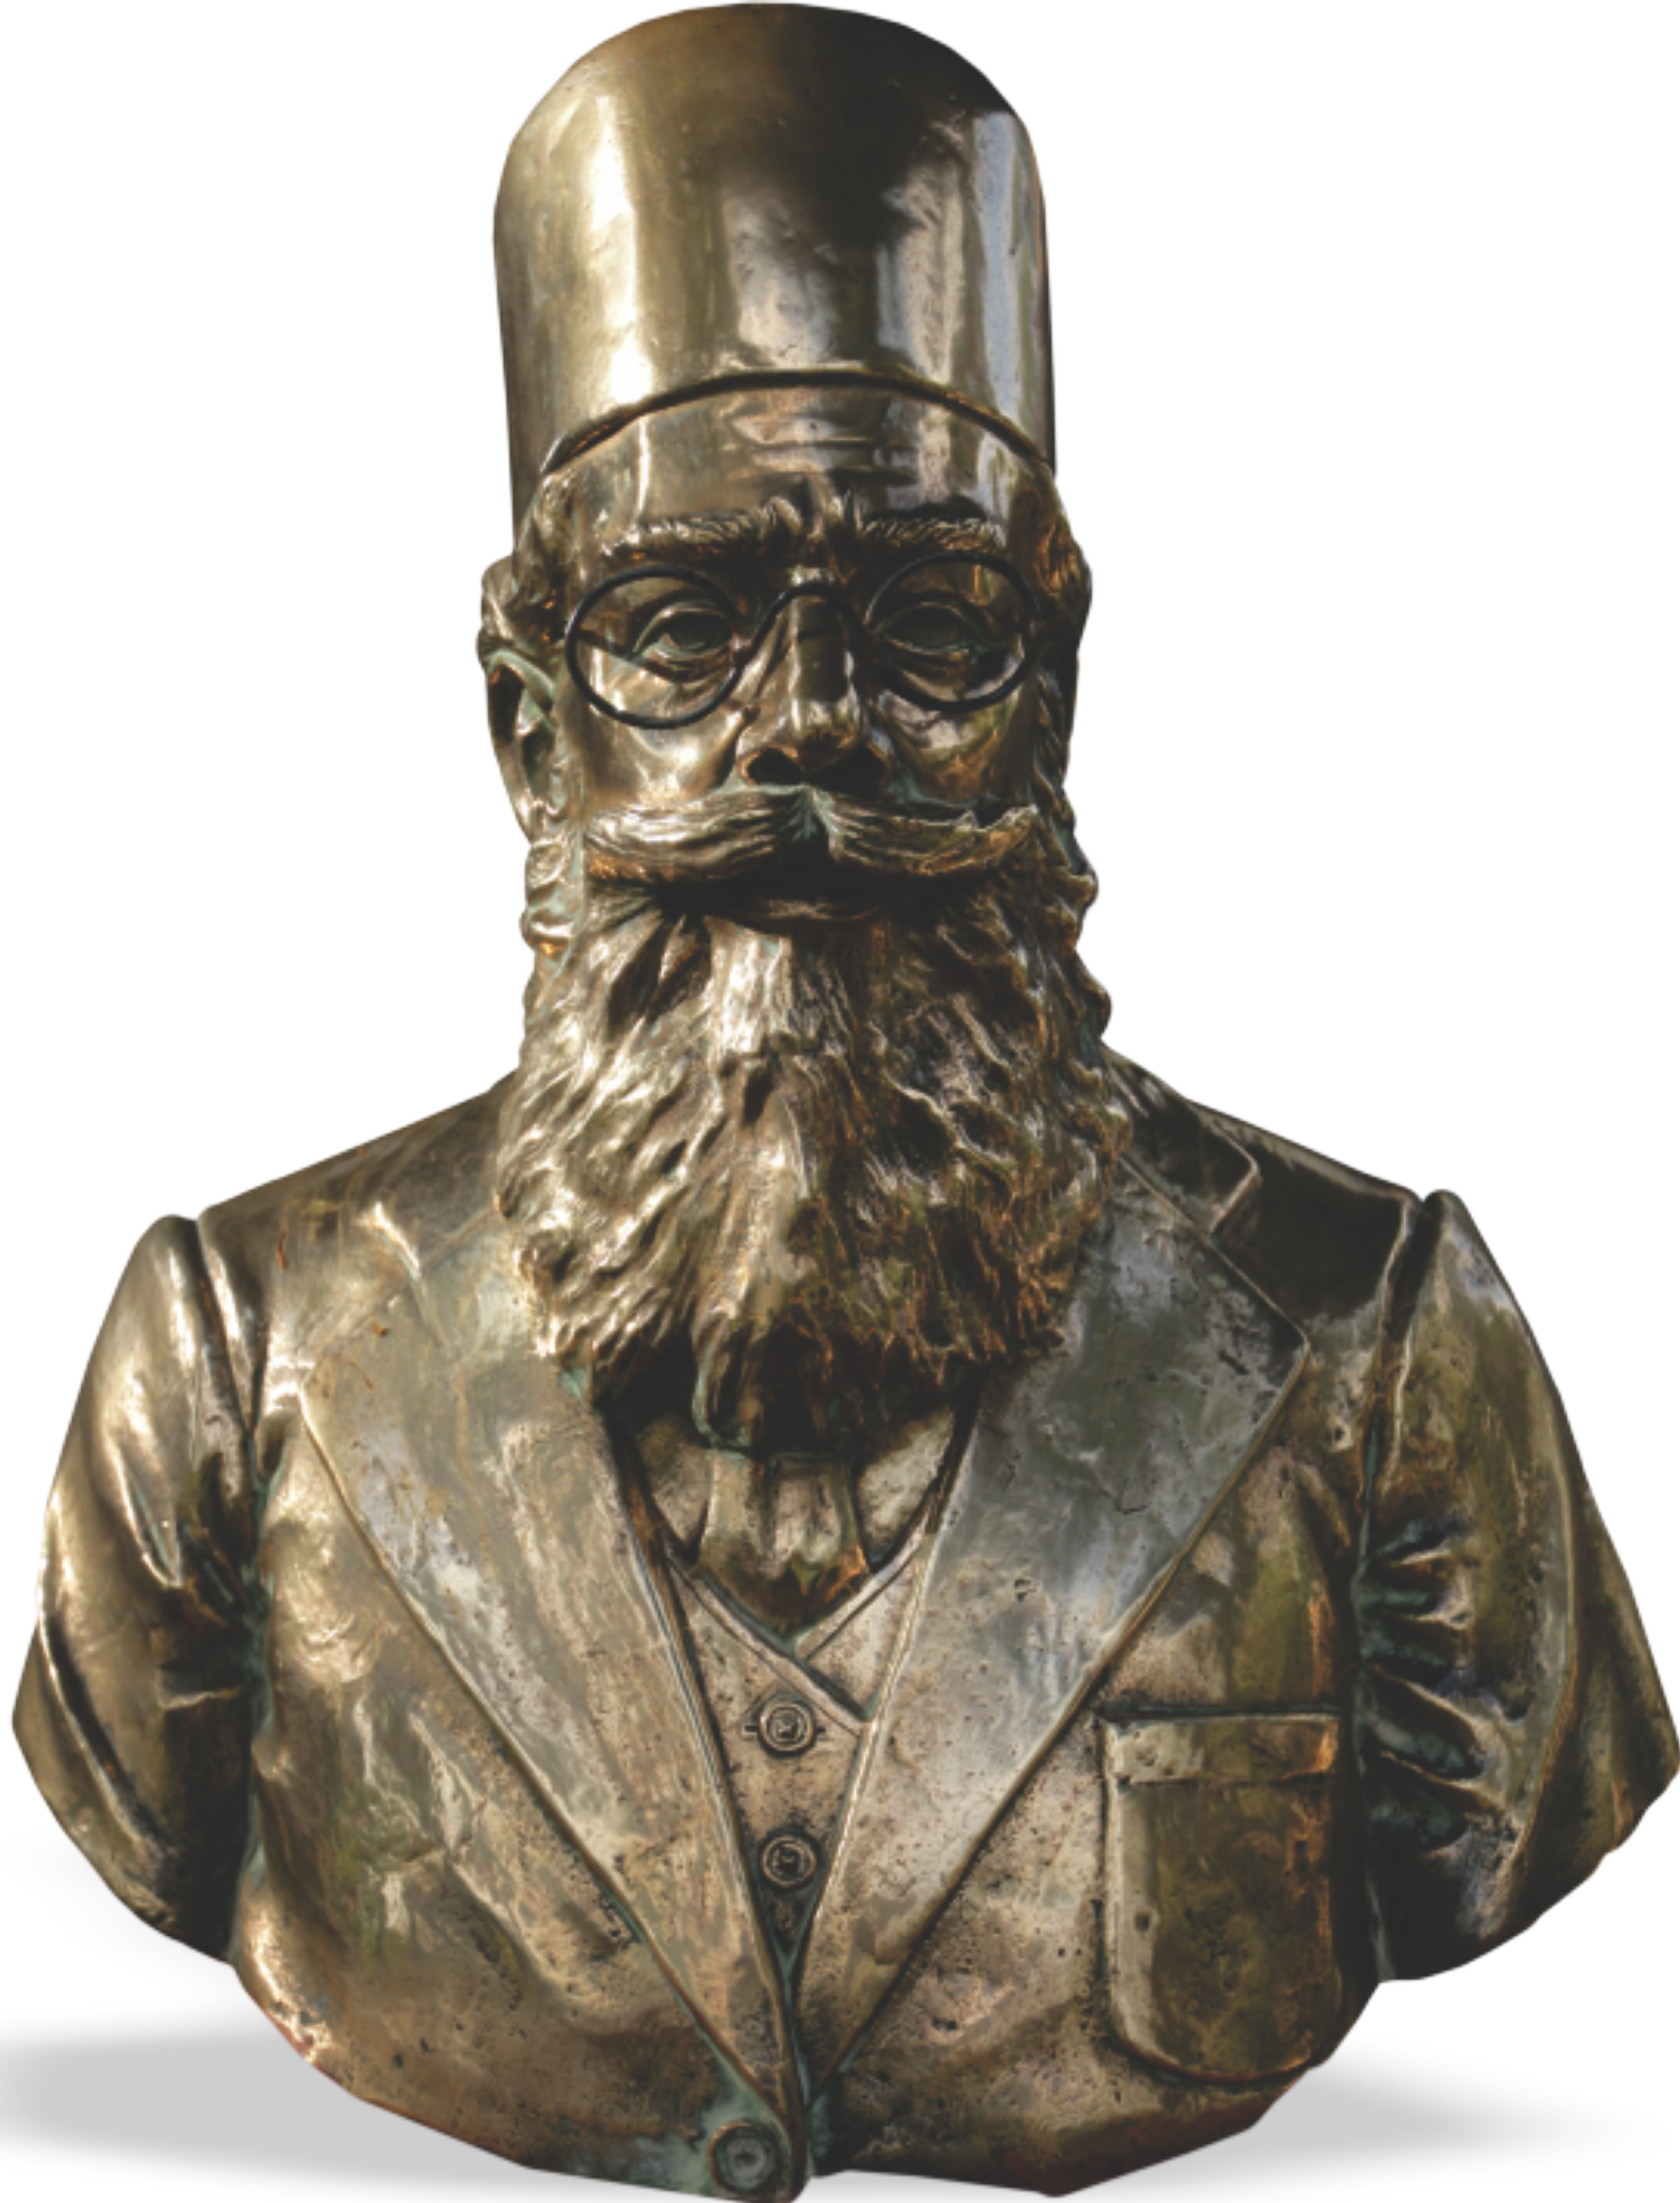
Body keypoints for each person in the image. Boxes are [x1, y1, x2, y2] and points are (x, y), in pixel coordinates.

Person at [11, 6, 1676, 2198]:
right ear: (527, 730)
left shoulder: (1379, 1344)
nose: (808, 731)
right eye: (682, 626)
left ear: (1049, 705)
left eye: (929, 622)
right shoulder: (231, 1355)